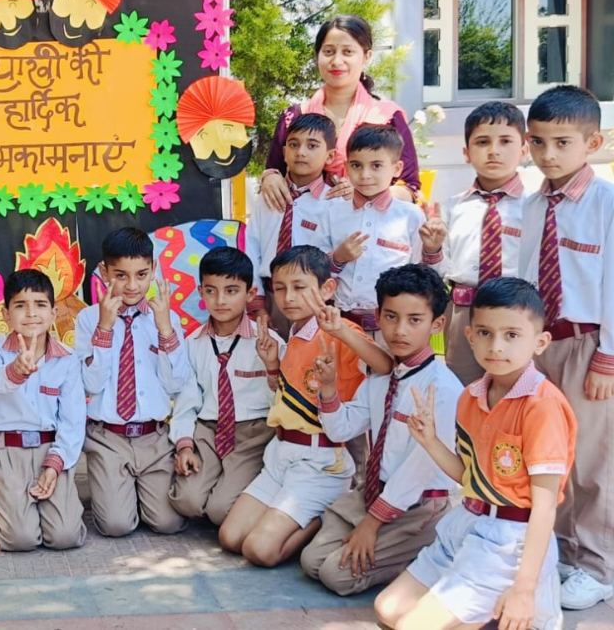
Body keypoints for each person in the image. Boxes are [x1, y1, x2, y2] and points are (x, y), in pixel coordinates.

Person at [374, 278, 574, 630]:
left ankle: (522, 604)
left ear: (540, 342)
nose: (496, 346)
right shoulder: (471, 396)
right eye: (484, 333)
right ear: (469, 336)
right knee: (388, 609)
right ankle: (489, 613)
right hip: (467, 522)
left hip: (510, 539)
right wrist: (430, 441)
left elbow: (543, 508)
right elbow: (470, 477)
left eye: (511, 335)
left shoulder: (542, 406)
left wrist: (523, 590)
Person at [219, 246, 390, 567]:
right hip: (281, 455)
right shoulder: (296, 331)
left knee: (259, 550)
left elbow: (385, 365)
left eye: (300, 287)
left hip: (320, 462)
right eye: (280, 288)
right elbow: (292, 396)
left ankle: (328, 513)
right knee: (230, 537)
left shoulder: (340, 332)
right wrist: (272, 366)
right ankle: (298, 514)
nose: (289, 297)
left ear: (327, 289)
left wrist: (341, 331)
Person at [300, 265, 463, 596]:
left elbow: (419, 470)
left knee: (335, 575)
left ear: (437, 324)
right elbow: (342, 429)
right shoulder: (383, 376)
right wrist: (329, 389)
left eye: (414, 320)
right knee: (311, 561)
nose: (400, 330)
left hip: (418, 504)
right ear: (378, 316)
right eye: (391, 317)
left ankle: (428, 552)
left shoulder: (442, 389)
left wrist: (371, 524)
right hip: (376, 492)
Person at [517, 84, 614, 610]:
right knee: (549, 453)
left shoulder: (606, 204)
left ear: (592, 143)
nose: (548, 154)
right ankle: (563, 551)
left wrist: (607, 358)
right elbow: (527, 278)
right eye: (538, 142)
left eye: (562, 142)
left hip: (587, 345)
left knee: (592, 462)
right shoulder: (533, 205)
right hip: (542, 343)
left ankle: (599, 566)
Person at [73, 227, 189, 537]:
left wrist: (165, 331)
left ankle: (135, 491)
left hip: (154, 438)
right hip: (107, 438)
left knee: (168, 523)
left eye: (141, 274)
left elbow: (176, 383)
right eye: (121, 275)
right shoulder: (88, 319)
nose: (132, 285)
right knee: (116, 525)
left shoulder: (167, 318)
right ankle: (120, 492)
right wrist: (105, 329)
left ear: (154, 269)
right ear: (104, 272)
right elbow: (90, 384)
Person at [0, 270, 87, 552]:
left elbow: (72, 421)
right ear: (6, 314)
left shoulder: (67, 359)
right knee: (20, 539)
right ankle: (8, 506)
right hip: (7, 453)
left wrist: (54, 465)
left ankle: (49, 505)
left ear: (54, 313)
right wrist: (13, 371)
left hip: (51, 450)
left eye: (40, 304)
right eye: (20, 305)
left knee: (65, 537)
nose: (31, 313)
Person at [260, 15, 421, 215]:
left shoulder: (387, 118)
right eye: (328, 51)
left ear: (367, 57)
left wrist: (366, 193)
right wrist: (270, 177)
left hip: (366, 226)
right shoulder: (295, 117)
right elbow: (275, 170)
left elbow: (410, 188)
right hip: (305, 226)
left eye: (348, 52)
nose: (337, 61)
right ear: (317, 56)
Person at [169, 247, 284, 527]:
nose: (220, 300)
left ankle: (249, 491)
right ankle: (222, 483)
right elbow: (186, 402)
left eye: (231, 291)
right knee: (187, 501)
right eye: (211, 291)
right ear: (201, 291)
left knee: (220, 510)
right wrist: (184, 445)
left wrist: (272, 367)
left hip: (253, 434)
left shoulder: (269, 342)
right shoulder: (193, 343)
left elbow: (282, 403)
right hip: (208, 431)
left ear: (250, 293)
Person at [421, 102, 527, 385]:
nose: (494, 150)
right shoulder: (453, 207)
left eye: (505, 141)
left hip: (516, 311)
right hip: (463, 312)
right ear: (467, 153)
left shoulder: (535, 207)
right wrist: (432, 249)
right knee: (463, 386)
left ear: (524, 149)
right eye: (482, 142)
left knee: (513, 386)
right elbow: (440, 272)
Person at [313, 124, 425, 345]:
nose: (365, 175)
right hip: (341, 325)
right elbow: (313, 268)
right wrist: (337, 259)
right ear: (346, 167)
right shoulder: (332, 212)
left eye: (376, 165)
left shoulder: (410, 216)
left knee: (388, 368)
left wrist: (433, 248)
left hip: (391, 331)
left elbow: (422, 273)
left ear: (397, 168)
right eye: (356, 165)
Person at [244, 112, 343, 331]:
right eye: (294, 144)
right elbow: (252, 248)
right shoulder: (267, 197)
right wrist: (257, 303)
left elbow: (338, 257)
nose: (301, 152)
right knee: (271, 348)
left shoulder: (334, 203)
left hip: (314, 300)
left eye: (312, 145)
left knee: (311, 350)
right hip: (272, 296)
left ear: (330, 156)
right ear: (284, 152)